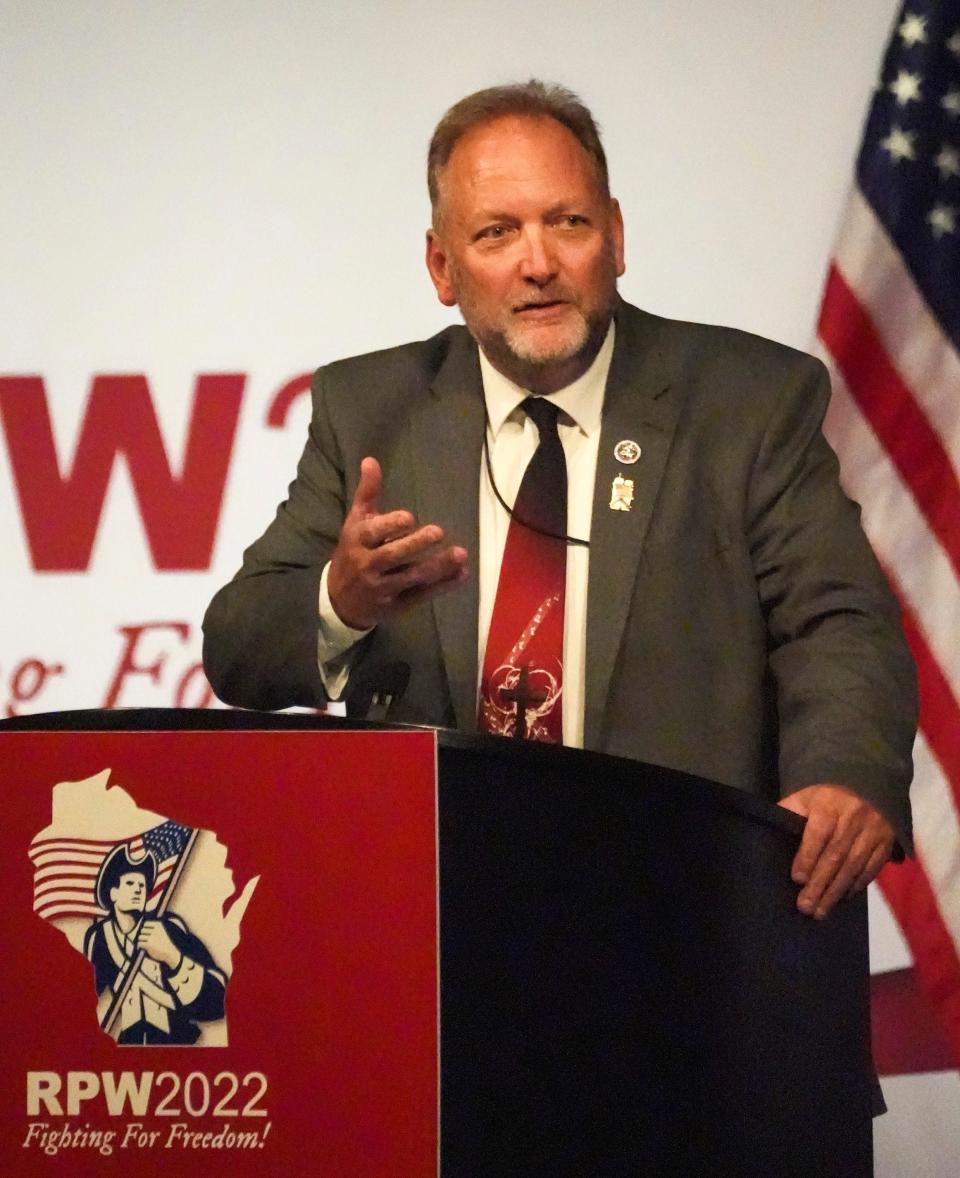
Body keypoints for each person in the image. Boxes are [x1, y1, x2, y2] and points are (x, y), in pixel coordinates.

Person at [203, 80, 916, 921]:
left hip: (690, 900)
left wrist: (842, 773)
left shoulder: (747, 401)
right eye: (497, 232)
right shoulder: (371, 410)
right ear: (442, 267)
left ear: (615, 236)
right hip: (441, 907)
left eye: (567, 223)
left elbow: (838, 620)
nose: (537, 262)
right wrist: (341, 600)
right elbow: (237, 648)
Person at [84, 843, 227, 1044]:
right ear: (113, 894)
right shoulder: (99, 939)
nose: (138, 890)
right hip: (129, 1049)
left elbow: (219, 1002)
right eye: (130, 884)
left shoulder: (168, 927)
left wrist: (172, 957)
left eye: (141, 886)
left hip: (178, 1044)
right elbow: (83, 997)